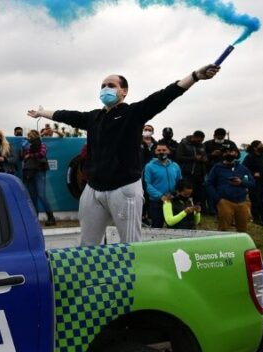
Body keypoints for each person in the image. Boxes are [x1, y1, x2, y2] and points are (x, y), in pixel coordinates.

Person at [27, 64, 219, 245]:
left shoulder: (133, 113)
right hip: (93, 190)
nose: (105, 88)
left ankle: (134, 279)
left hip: (124, 189)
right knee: (87, 244)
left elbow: (164, 96)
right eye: (102, 86)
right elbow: (66, 115)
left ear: (124, 91)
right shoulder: (93, 117)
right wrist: (43, 113)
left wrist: (194, 77)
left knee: (130, 244)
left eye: (111, 85)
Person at [206, 147, 254, 232]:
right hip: (225, 201)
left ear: (236, 154)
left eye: (231, 151)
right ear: (222, 154)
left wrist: (241, 183)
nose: (228, 154)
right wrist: (218, 199)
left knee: (243, 229)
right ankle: (222, 244)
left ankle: (241, 245)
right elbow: (209, 184)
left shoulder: (242, 168)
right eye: (225, 152)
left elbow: (252, 183)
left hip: (242, 201)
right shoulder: (217, 168)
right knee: (223, 228)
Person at [143, 142, 182, 228]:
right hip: (156, 201)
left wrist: (175, 194)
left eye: (164, 150)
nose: (161, 152)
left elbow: (179, 182)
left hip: (172, 200)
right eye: (159, 150)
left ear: (168, 151)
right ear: (155, 152)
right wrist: (161, 196)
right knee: (157, 226)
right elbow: (147, 184)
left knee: (174, 226)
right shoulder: (149, 166)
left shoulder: (175, 166)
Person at [22, 130, 55, 226]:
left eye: (32, 135)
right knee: (32, 196)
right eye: (29, 136)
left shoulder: (42, 144)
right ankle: (34, 219)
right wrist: (27, 152)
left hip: (39, 171)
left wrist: (30, 155)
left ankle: (51, 218)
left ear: (36, 135)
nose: (30, 137)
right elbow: (24, 156)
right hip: (29, 171)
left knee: (41, 195)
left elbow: (42, 153)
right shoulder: (27, 145)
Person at [242, 140, 263, 227]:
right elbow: (244, 168)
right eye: (260, 145)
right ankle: (256, 219)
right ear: (255, 147)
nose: (262, 147)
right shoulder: (249, 157)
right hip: (255, 183)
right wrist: (253, 173)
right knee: (256, 200)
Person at [177, 131, 209, 213]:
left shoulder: (201, 145)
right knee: (188, 193)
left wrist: (204, 159)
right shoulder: (184, 143)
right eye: (198, 140)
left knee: (200, 194)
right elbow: (179, 157)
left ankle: (198, 211)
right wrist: (193, 158)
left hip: (200, 174)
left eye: (201, 140)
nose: (200, 142)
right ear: (193, 137)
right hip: (188, 173)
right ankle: (186, 210)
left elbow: (205, 156)